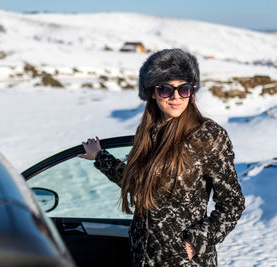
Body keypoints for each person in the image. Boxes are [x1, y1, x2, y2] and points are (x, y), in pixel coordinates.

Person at [78, 49, 245, 267]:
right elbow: (139, 185)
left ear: (192, 93)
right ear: (153, 93)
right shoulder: (148, 134)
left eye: (184, 89)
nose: (176, 97)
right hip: (143, 256)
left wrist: (195, 241)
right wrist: (100, 157)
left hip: (184, 261)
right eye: (166, 89)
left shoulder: (208, 136)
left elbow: (232, 203)